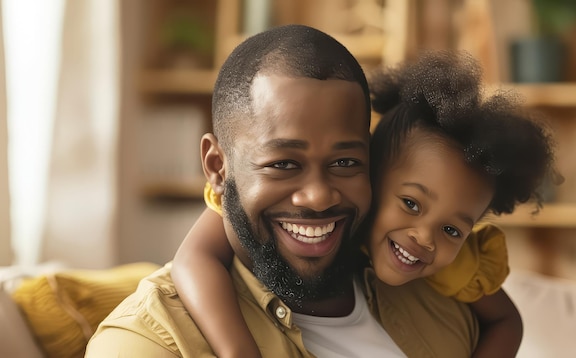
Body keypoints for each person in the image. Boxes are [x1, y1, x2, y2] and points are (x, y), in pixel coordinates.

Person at [86, 25, 500, 357]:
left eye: (344, 163)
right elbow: (194, 256)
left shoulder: (433, 292)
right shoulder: (148, 344)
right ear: (217, 167)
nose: (318, 196)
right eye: (283, 164)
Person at [170, 51, 557, 357]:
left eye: (452, 229)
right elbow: (193, 257)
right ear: (369, 175)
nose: (425, 237)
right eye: (410, 203)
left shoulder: (458, 264)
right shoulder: (327, 204)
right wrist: (238, 351)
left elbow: (507, 320)